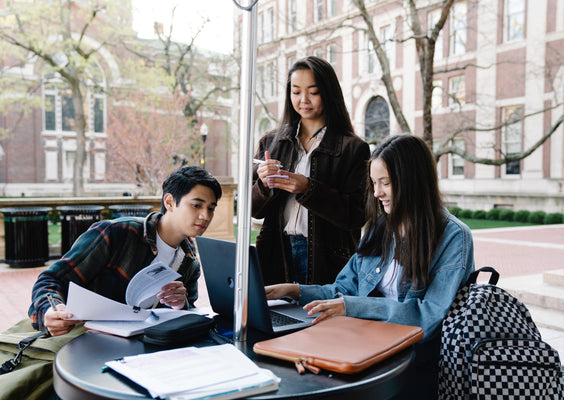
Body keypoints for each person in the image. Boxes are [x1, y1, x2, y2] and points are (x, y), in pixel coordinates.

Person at [265, 134, 475, 399]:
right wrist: (294, 291)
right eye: (374, 183)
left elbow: (428, 317)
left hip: (412, 362)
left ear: (413, 181)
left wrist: (352, 306)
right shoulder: (380, 227)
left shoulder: (454, 237)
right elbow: (341, 291)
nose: (377, 193)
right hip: (364, 344)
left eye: (385, 183)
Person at [29, 166, 222, 336]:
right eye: (196, 205)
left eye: (211, 208)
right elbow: (51, 280)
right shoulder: (118, 233)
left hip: (141, 350)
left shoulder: (190, 262)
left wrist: (181, 305)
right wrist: (49, 311)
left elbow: (182, 316)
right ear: (169, 202)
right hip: (84, 337)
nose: (205, 216)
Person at [252, 56, 370, 285]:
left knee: (320, 320)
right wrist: (263, 185)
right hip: (277, 253)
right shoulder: (272, 142)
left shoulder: (353, 148)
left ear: (328, 93)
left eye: (313, 92)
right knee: (279, 318)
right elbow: (252, 210)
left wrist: (309, 189)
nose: (303, 100)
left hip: (328, 259)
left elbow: (357, 215)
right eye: (296, 92)